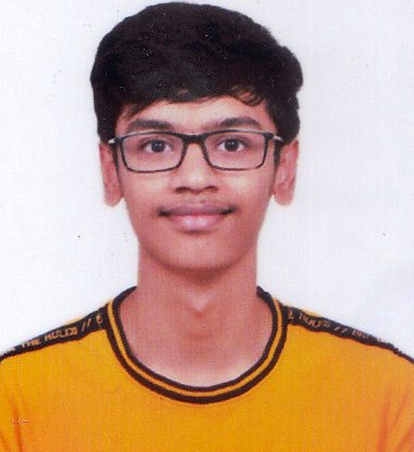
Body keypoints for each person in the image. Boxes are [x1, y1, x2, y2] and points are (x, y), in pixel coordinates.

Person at [0, 2, 412, 451]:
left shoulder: (388, 397)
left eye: (232, 144)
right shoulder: (17, 398)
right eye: (155, 145)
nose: (195, 178)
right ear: (110, 171)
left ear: (285, 168)